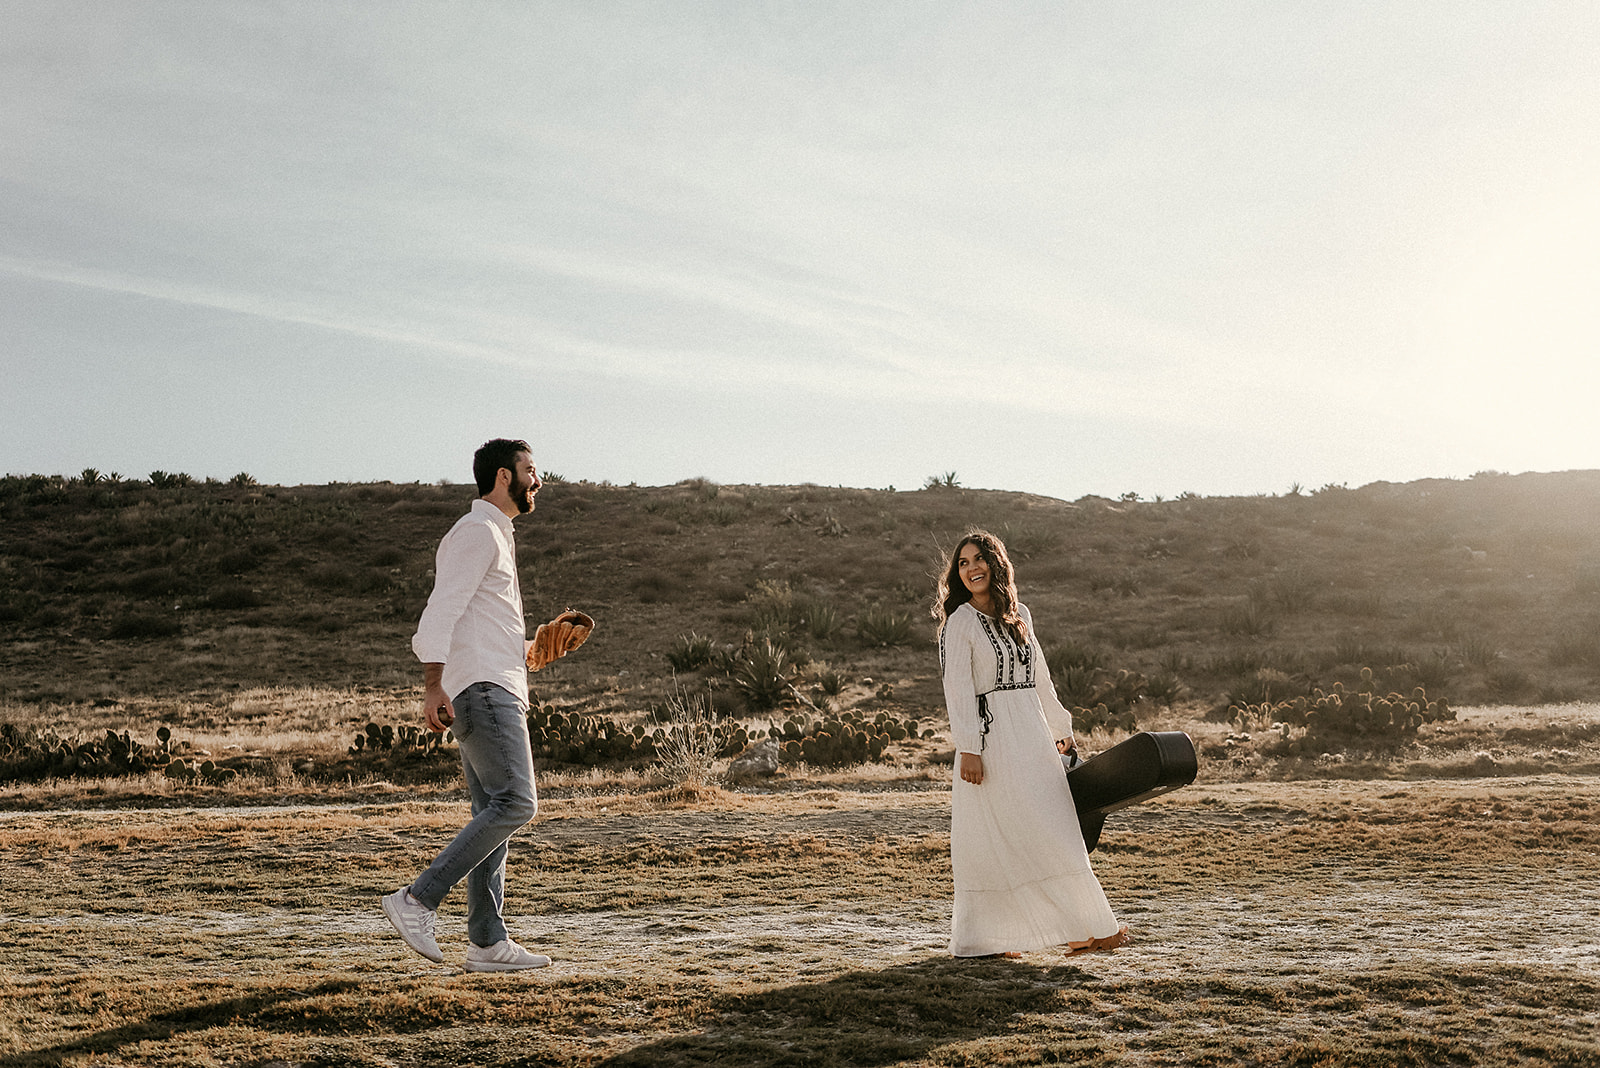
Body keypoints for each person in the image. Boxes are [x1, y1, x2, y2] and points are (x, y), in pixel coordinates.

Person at [381, 438, 551, 972]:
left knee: (492, 814)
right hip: (482, 690)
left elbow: (479, 622)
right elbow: (439, 613)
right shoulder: (477, 532)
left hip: (493, 681)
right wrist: (433, 685)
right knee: (517, 804)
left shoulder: (494, 535)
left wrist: (532, 649)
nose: (538, 480)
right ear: (504, 476)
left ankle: (487, 942)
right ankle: (417, 899)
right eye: (530, 469)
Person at [934, 529, 1131, 958]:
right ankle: (991, 938)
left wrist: (1061, 727)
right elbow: (958, 688)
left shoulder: (1020, 613)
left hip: (1033, 734)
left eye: (978, 559)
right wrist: (968, 746)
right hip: (991, 740)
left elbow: (1040, 676)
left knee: (1054, 828)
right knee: (1000, 836)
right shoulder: (960, 623)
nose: (971, 569)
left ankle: (1084, 928)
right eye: (963, 563)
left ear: (995, 563)